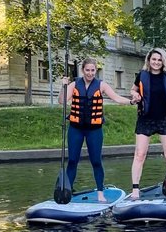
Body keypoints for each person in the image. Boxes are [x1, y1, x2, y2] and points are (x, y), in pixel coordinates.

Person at [57, 57, 134, 202]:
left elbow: (116, 98)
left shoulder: (101, 85)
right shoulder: (74, 84)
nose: (90, 73)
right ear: (83, 70)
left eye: (93, 70)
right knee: (72, 160)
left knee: (96, 161)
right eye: (87, 70)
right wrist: (64, 86)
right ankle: (67, 190)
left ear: (96, 70)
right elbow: (62, 101)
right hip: (76, 129)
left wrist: (130, 101)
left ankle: (100, 192)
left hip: (94, 130)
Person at [128, 48, 166, 199]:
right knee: (139, 154)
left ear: (163, 62)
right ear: (149, 60)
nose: (156, 62)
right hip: (145, 118)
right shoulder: (142, 76)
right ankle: (135, 189)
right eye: (153, 59)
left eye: (159, 60)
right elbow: (133, 90)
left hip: (164, 119)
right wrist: (135, 94)